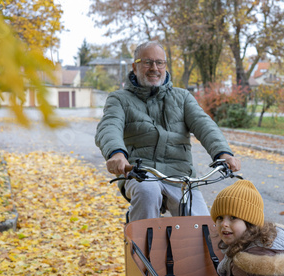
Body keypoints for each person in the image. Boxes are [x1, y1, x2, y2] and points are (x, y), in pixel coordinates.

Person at [95, 41, 241, 221]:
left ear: (165, 66)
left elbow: (204, 125)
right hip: (140, 172)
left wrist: (223, 153)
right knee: (148, 193)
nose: (154, 68)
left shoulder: (183, 97)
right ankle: (141, 245)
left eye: (159, 63)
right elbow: (109, 126)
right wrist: (116, 153)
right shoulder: (119, 99)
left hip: (179, 175)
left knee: (200, 223)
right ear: (135, 66)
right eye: (147, 62)